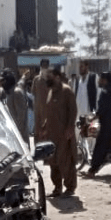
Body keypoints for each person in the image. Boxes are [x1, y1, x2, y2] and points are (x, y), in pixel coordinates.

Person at [42, 66, 78, 197]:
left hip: (64, 134)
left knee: (66, 161)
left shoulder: (67, 91)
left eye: (50, 76)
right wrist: (45, 127)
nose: (47, 79)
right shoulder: (51, 91)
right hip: (52, 134)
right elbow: (49, 112)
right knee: (53, 162)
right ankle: (57, 188)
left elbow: (73, 111)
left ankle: (70, 188)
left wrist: (70, 128)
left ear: (57, 77)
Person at [84, 72, 111, 179]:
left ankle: (92, 170)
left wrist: (93, 118)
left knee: (100, 145)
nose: (98, 81)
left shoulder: (105, 92)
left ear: (105, 80)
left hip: (110, 124)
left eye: (100, 79)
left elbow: (102, 110)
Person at [0, 68, 29, 144]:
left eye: (4, 80)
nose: (2, 83)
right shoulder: (10, 92)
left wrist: (17, 134)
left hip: (20, 136)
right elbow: (21, 83)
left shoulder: (16, 93)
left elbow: (21, 117)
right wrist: (23, 76)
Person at [32, 59, 50, 143]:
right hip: (38, 111)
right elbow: (33, 93)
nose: (44, 67)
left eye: (46, 66)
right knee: (37, 131)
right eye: (43, 66)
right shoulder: (36, 79)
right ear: (40, 66)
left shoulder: (51, 79)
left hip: (48, 111)